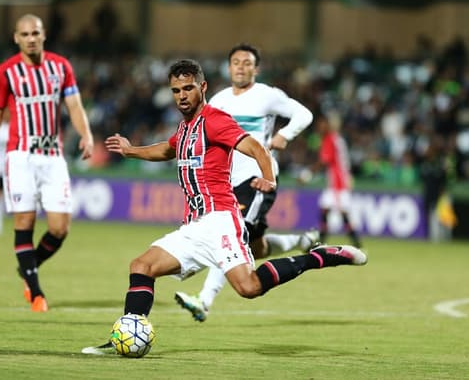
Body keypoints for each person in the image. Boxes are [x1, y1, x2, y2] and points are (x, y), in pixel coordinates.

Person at [81, 59, 366, 355]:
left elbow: (256, 147)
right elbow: (168, 148)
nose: (182, 95)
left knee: (249, 287)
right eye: (176, 90)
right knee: (142, 266)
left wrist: (268, 178)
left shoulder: (216, 120)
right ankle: (126, 335)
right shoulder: (185, 127)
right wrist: (131, 151)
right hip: (193, 226)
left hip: (220, 222)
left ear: (202, 87)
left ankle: (317, 257)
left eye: (188, 88)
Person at [174, 43, 315, 322]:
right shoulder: (218, 100)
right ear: (229, 68)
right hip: (227, 180)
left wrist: (285, 134)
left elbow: (304, 114)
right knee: (256, 246)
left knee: (230, 236)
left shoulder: (267, 96)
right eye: (236, 62)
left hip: (257, 178)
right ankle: (303, 239)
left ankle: (204, 300)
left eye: (247, 63)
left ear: (256, 69)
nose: (241, 66)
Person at [0, 14, 94, 312]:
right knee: (24, 222)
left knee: (60, 228)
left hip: (53, 156)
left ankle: (28, 267)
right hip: (21, 156)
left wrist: (87, 135)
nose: (30, 38)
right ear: (16, 38)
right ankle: (36, 293)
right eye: (24, 34)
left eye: (35, 33)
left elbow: (74, 105)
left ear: (44, 34)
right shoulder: (6, 72)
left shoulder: (60, 67)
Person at [312, 113, 362, 248]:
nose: (319, 128)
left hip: (338, 182)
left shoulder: (330, 139)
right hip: (340, 180)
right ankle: (321, 242)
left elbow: (324, 161)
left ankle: (356, 243)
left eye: (322, 125)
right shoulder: (337, 139)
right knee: (325, 209)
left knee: (342, 212)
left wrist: (307, 174)